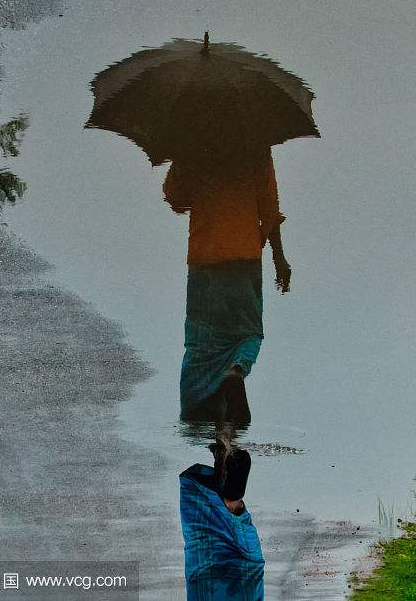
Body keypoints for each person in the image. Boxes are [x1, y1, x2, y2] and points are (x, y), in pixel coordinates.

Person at [164, 145, 290, 422]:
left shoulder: (193, 140)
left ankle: (199, 413)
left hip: (203, 256)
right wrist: (279, 259)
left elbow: (176, 200)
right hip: (244, 256)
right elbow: (269, 208)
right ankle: (235, 370)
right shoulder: (256, 143)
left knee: (200, 340)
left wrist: (181, 161)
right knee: (248, 333)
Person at [180, 447, 264, 599]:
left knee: (248, 563)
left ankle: (231, 494)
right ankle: (225, 479)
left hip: (243, 577)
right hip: (208, 576)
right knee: (205, 539)